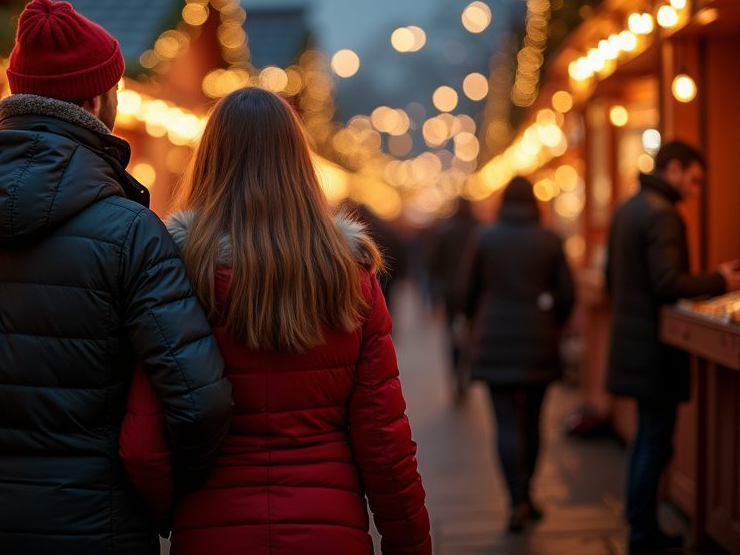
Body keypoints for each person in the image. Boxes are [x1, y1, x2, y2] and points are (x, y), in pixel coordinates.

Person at [0, 0, 233, 554]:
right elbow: (199, 402)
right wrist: (159, 494)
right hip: (101, 526)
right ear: (98, 99)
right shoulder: (131, 233)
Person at [119, 87, 431, 555]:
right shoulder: (350, 278)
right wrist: (411, 544)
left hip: (214, 529)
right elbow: (384, 439)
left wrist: (175, 511)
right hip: (329, 531)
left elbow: (143, 444)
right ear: (300, 166)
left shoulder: (176, 276)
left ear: (210, 162)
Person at [606, 140, 740, 554]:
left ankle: (638, 524)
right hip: (655, 348)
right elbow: (668, 284)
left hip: (632, 342)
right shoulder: (664, 216)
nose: (696, 190)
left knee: (646, 437)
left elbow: (614, 279)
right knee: (655, 439)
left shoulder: (630, 207)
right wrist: (721, 280)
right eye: (695, 180)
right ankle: (642, 533)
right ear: (675, 170)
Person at [458, 176, 574, 532]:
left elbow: (466, 292)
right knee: (534, 420)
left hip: (495, 341)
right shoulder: (550, 239)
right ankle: (528, 494)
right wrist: (551, 319)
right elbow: (567, 294)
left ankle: (515, 499)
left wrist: (475, 320)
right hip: (538, 339)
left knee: (506, 422)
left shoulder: (486, 238)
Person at [428, 197, 478, 402]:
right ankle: (466, 371)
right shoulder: (479, 229)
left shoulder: (446, 230)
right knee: (472, 334)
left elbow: (434, 263)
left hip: (451, 293)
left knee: (452, 334)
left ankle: (456, 372)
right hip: (474, 293)